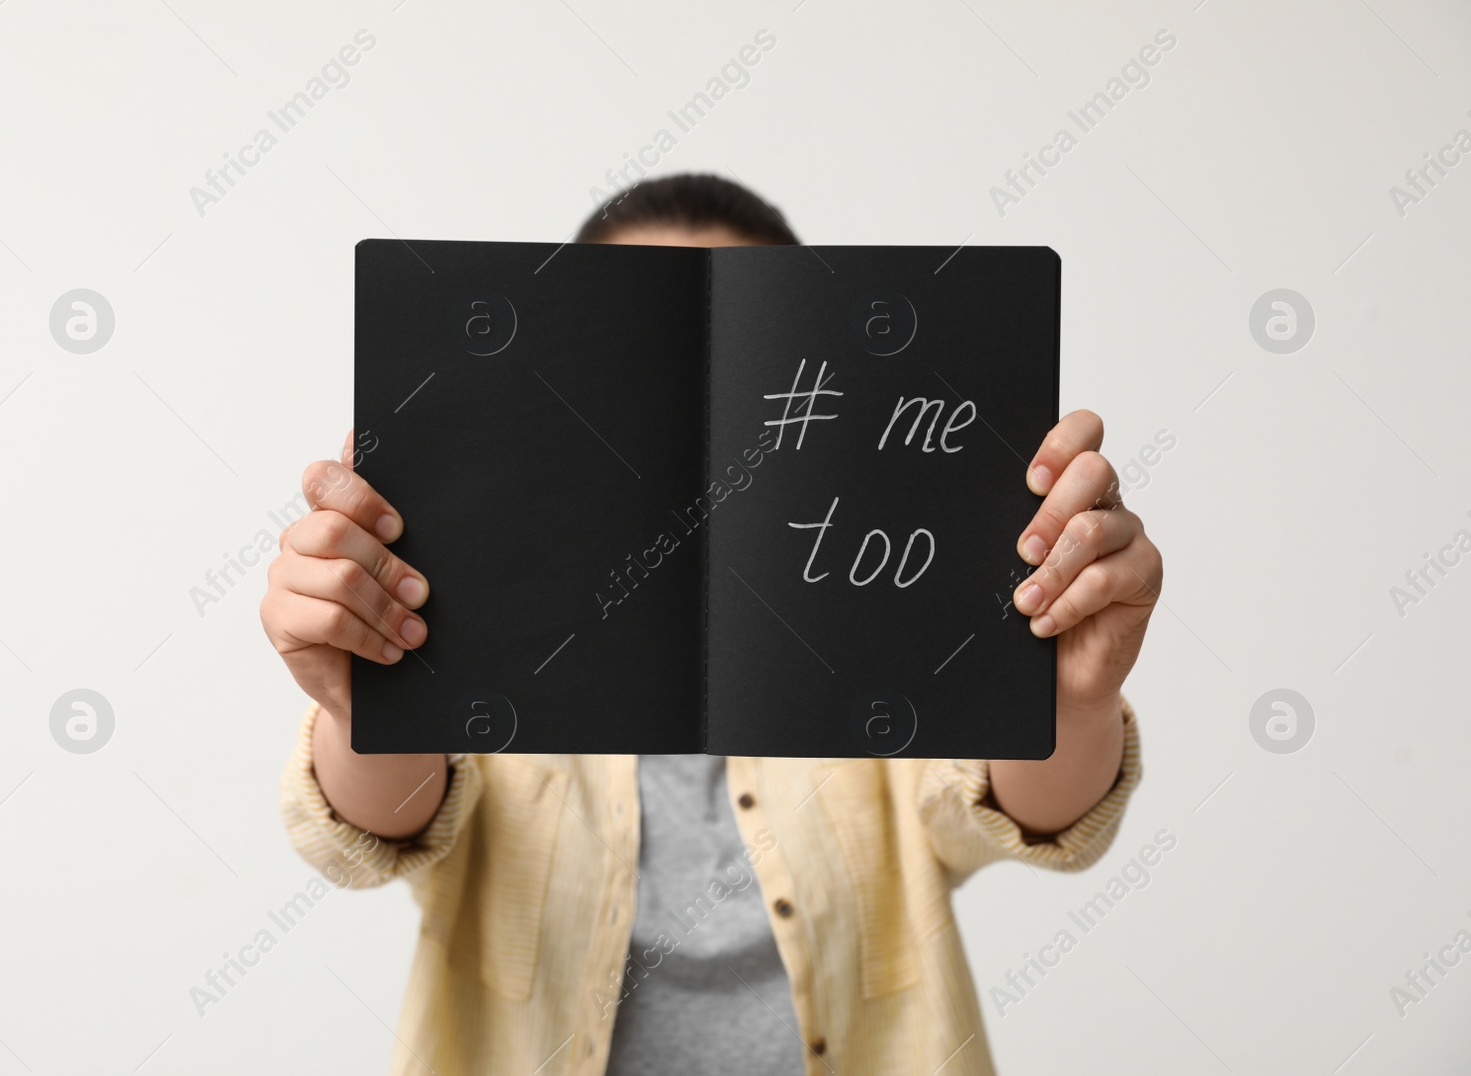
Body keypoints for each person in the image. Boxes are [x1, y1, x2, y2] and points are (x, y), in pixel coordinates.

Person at [264, 173, 1162, 1075]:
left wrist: (1077, 696)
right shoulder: (481, 628)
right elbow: (375, 833)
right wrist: (366, 693)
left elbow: (1022, 812)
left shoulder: (881, 625)